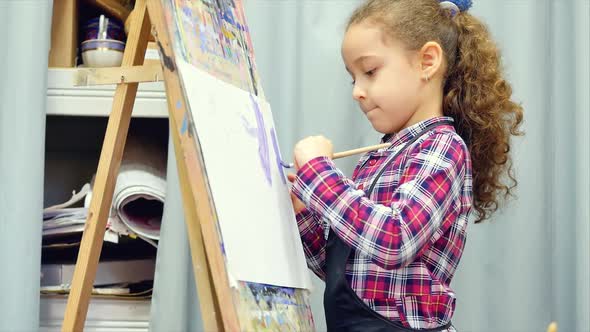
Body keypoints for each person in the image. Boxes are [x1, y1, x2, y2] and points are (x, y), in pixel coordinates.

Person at [287, 0, 524, 330]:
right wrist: (304, 212)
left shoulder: (443, 148)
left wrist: (319, 175)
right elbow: (349, 271)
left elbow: (395, 239)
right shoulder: (378, 158)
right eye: (352, 78)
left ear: (427, 61)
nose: (357, 91)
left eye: (369, 71)